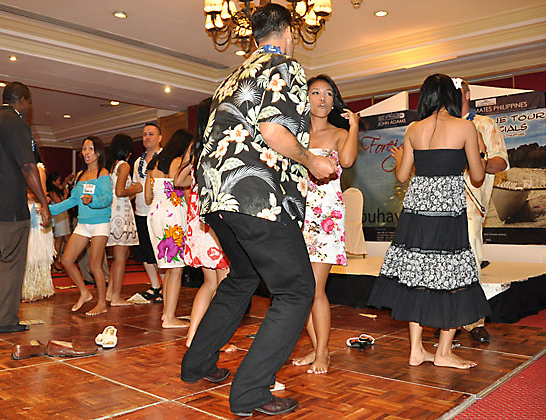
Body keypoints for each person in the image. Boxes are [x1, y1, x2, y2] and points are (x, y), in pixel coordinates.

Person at [181, 4, 336, 416]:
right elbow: (273, 130)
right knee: (297, 289)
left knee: (243, 278)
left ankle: (196, 363)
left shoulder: (231, 77)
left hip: (216, 197)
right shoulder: (284, 65)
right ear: (288, 33)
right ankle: (250, 392)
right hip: (257, 196)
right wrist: (311, 160)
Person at [368, 74, 491, 369]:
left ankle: (416, 350)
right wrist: (480, 151)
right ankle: (443, 352)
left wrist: (401, 157)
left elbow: (401, 176)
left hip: (416, 209)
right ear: (452, 95)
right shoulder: (465, 127)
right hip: (447, 209)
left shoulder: (413, 128)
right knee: (453, 276)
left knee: (417, 274)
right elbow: (477, 176)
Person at [0, 81, 51, 333]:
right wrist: (44, 203)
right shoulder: (17, 123)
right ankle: (4, 319)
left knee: (3, 256)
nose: (29, 108)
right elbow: (28, 166)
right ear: (23, 100)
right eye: (29, 102)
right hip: (7, 205)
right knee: (13, 260)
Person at [293, 75, 360, 374]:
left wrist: (354, 126)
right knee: (301, 289)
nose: (322, 98)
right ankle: (315, 346)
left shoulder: (339, 133)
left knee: (315, 288)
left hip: (325, 217)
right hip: (295, 214)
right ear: (305, 98)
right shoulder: (293, 135)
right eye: (315, 92)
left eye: (328, 93)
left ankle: (323, 352)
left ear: (334, 101)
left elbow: (347, 160)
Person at [174, 99, 231, 348]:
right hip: (216, 220)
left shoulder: (195, 145)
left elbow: (178, 181)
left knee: (210, 283)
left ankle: (193, 336)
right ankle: (215, 340)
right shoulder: (223, 141)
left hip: (198, 221)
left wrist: (194, 175)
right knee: (224, 285)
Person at [460, 78, 509, 343]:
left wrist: (477, 161)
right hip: (441, 205)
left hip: (471, 205)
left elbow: (501, 161)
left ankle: (474, 320)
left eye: (456, 92)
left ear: (467, 94)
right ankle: (446, 319)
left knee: (470, 259)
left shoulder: (484, 124)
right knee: (442, 262)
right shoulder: (440, 127)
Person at [49, 136, 112, 316]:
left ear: (98, 153)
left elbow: (108, 198)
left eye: (90, 149)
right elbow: (72, 200)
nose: (86, 152)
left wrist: (93, 200)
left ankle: (102, 303)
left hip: (100, 223)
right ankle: (85, 293)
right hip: (83, 224)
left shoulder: (103, 173)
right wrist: (49, 209)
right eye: (84, 149)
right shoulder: (80, 175)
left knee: (94, 265)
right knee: (66, 260)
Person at [144, 129, 192, 328]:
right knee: (176, 268)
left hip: (155, 213)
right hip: (173, 214)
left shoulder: (153, 163)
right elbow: (182, 190)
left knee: (170, 268)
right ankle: (169, 317)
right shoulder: (177, 162)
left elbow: (147, 197)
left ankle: (167, 314)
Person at [105, 133, 141, 306]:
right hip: (120, 213)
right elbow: (120, 192)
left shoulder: (112, 166)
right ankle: (116, 297)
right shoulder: (124, 165)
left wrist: (131, 191)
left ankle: (110, 292)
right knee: (120, 257)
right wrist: (136, 188)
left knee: (121, 255)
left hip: (115, 211)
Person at [133, 123, 165, 303]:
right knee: (145, 253)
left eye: (151, 134)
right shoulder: (138, 162)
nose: (147, 137)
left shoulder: (166, 158)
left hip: (159, 212)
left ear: (159, 138)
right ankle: (155, 287)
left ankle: (167, 287)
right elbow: (136, 185)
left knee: (160, 253)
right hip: (141, 212)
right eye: (144, 134)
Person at [21, 148, 55, 302]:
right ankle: (26, 289)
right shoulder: (21, 169)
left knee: (36, 253)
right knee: (26, 254)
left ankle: (37, 290)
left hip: (35, 213)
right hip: (24, 213)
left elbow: (42, 195)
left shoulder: (39, 169)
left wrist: (22, 195)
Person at [46, 172, 72, 272]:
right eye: (58, 181)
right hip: (58, 218)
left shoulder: (56, 189)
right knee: (59, 241)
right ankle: (55, 263)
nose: (59, 183)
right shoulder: (52, 192)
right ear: (53, 182)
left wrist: (67, 179)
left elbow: (62, 186)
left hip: (62, 217)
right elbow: (60, 204)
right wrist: (65, 196)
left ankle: (63, 261)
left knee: (66, 240)